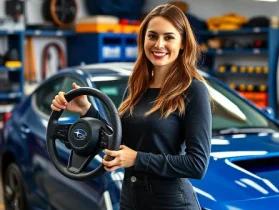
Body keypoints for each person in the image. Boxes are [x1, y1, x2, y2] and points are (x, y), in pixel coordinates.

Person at [51, 3, 212, 210]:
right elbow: (118, 140)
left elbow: (197, 165)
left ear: (182, 43)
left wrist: (137, 159)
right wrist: (86, 110)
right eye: (152, 36)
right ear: (143, 39)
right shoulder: (136, 87)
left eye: (169, 37)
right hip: (130, 199)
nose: (159, 44)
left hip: (171, 203)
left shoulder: (192, 90)